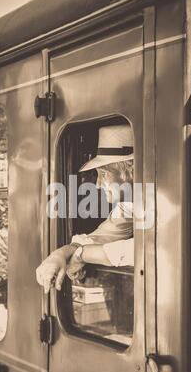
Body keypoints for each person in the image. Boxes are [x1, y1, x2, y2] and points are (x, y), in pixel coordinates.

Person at [36, 124, 135, 293]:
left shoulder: (163, 200)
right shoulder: (130, 205)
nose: (97, 184)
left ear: (130, 171)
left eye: (103, 174)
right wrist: (60, 254)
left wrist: (82, 255)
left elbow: (143, 249)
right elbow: (102, 236)